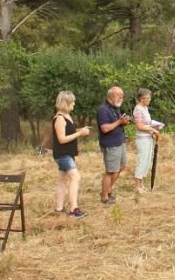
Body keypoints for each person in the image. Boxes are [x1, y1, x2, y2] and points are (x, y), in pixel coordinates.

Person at [51, 91, 92, 219]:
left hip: (68, 153)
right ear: (66, 103)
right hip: (62, 154)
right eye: (72, 101)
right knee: (75, 177)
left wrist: (81, 130)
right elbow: (62, 138)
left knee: (63, 180)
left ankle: (58, 208)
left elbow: (70, 131)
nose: (74, 103)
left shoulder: (67, 116)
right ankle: (74, 209)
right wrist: (80, 134)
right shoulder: (59, 118)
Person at [97, 86, 130, 205]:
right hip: (111, 145)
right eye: (119, 95)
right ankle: (105, 197)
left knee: (121, 166)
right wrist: (119, 122)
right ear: (111, 96)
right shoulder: (103, 109)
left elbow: (115, 124)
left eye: (122, 96)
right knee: (110, 171)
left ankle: (107, 189)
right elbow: (105, 128)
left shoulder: (115, 108)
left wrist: (123, 123)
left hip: (119, 143)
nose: (122, 98)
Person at [132, 88, 164, 193]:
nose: (150, 99)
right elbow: (139, 125)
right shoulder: (138, 109)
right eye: (148, 97)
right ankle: (137, 186)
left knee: (147, 161)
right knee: (142, 161)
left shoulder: (145, 108)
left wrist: (156, 126)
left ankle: (141, 184)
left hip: (148, 138)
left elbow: (148, 122)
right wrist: (152, 129)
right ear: (142, 98)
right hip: (142, 139)